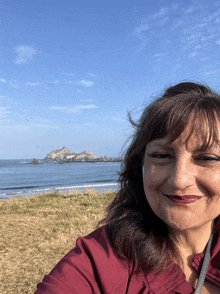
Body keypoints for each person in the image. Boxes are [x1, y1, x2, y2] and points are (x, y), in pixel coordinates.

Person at [35, 82, 220, 294]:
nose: (179, 180)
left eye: (207, 158)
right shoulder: (98, 262)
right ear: (140, 164)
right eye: (161, 156)